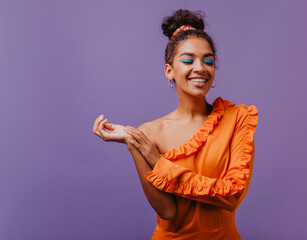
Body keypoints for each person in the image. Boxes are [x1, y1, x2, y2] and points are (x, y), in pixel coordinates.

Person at [92, 9, 258, 240]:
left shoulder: (237, 118)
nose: (200, 68)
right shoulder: (149, 133)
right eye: (188, 60)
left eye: (208, 61)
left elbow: (232, 196)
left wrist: (159, 162)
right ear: (169, 71)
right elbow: (167, 211)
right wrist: (134, 144)